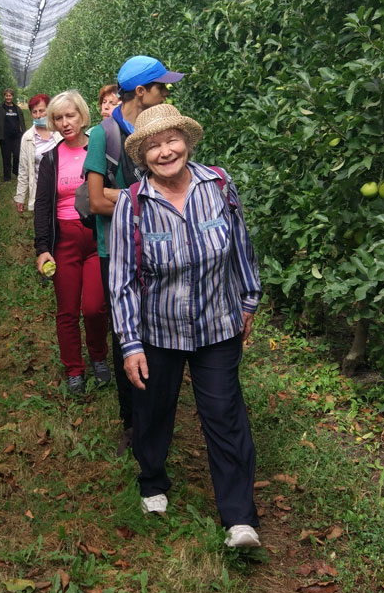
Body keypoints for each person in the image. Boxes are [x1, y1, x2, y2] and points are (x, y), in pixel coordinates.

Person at [108, 103, 263, 549]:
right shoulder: (133, 203)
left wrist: (249, 298)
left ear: (187, 142)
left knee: (225, 413)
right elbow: (121, 280)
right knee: (154, 410)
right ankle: (152, 479)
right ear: (142, 156)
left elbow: (240, 245)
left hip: (217, 323)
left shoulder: (219, 185)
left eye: (171, 140)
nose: (165, 151)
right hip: (159, 329)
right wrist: (130, 344)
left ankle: (239, 517)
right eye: (153, 146)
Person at [83, 59, 177, 455]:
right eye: (161, 87)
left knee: (159, 325)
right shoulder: (104, 134)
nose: (166, 92)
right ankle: (132, 421)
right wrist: (146, 206)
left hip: (162, 246)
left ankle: (156, 410)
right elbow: (94, 200)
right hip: (118, 249)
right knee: (126, 332)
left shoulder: (161, 129)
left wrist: (122, 199)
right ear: (141, 91)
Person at [33, 91, 110, 395]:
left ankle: (98, 356)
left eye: (70, 116)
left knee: (94, 307)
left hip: (96, 236)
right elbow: (42, 206)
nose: (65, 123)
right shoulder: (51, 159)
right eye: (58, 118)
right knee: (67, 309)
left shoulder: (98, 151)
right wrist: (42, 248)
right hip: (64, 240)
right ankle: (74, 369)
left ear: (82, 116)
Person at [14, 93, 61, 214]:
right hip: (41, 191)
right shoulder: (28, 138)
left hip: (61, 188)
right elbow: (24, 169)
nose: (38, 115)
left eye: (42, 111)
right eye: (34, 112)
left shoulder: (60, 132)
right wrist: (20, 196)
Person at [0, 88, 26, 182]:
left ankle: (16, 171)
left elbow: (21, 121)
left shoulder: (17, 109)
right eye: (6, 95)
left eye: (10, 95)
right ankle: (7, 177)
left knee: (17, 155)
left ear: (12, 97)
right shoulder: (0, 109)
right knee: (6, 157)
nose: (8, 97)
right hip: (5, 137)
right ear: (4, 96)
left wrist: (23, 132)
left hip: (16, 136)